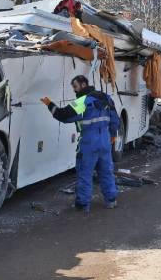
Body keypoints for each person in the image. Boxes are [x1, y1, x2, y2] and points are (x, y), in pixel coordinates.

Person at [41, 75, 119, 214]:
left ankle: (83, 205)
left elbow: (63, 115)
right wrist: (112, 136)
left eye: (75, 87)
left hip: (89, 142)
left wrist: (49, 104)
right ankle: (111, 200)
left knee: (85, 173)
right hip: (105, 141)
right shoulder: (106, 98)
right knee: (106, 171)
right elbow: (114, 119)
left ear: (83, 85)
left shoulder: (82, 101)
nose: (74, 91)